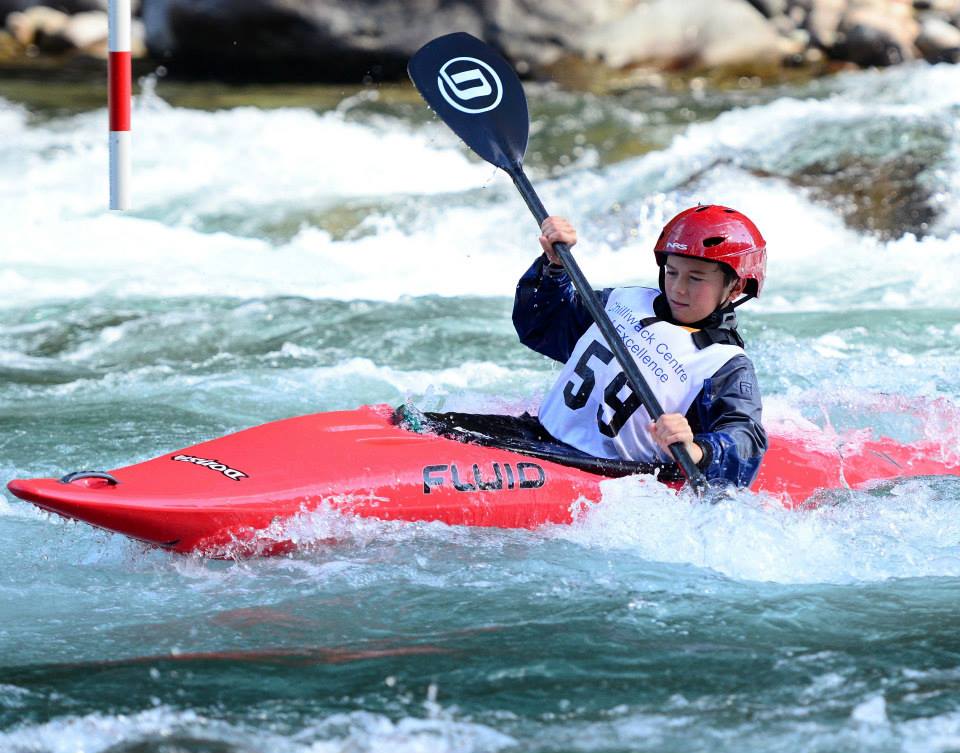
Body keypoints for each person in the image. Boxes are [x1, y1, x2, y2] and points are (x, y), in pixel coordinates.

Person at [512, 205, 767, 487]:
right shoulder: (622, 302)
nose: (678, 289)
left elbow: (745, 438)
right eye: (672, 272)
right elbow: (541, 326)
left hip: (605, 476)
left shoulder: (723, 364)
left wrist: (698, 449)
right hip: (537, 438)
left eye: (695, 278)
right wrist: (554, 267)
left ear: (734, 288)